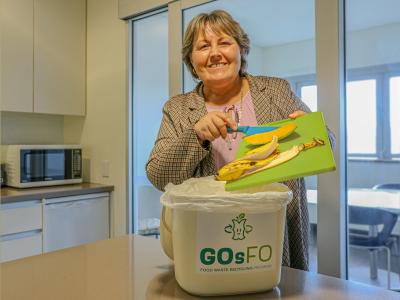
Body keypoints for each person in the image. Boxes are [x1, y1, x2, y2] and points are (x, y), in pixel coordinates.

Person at [146, 10, 335, 271]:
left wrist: (313, 132)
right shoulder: (177, 109)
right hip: (209, 237)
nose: (214, 53)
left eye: (224, 42)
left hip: (275, 231)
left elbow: (327, 145)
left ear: (241, 49)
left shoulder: (275, 91)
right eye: (203, 46)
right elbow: (158, 176)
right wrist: (196, 135)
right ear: (191, 60)